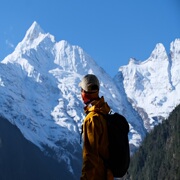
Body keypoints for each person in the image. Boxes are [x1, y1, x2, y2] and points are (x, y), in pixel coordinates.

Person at [79, 74, 114, 180]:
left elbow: (91, 155)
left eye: (81, 90)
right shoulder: (104, 114)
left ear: (85, 93)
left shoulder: (92, 118)